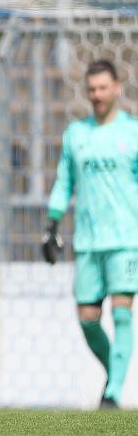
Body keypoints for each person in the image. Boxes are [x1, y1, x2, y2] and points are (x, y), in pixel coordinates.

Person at [42, 59, 138, 409]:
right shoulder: (76, 133)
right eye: (92, 89)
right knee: (87, 319)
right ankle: (115, 372)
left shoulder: (133, 132)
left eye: (103, 88)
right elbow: (64, 181)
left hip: (126, 240)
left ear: (116, 88)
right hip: (87, 241)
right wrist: (52, 223)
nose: (97, 95)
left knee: (123, 312)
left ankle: (112, 393)